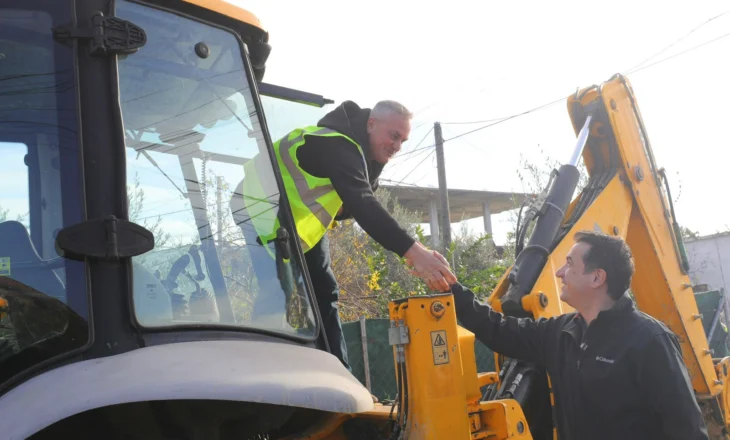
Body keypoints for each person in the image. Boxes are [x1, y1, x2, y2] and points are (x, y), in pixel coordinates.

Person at [238, 99, 456, 370]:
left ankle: (338, 374)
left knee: (324, 292)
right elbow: (363, 204)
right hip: (257, 208)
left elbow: (348, 204)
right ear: (371, 124)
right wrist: (416, 253)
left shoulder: (365, 158)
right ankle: (255, 371)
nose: (397, 146)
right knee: (279, 291)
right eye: (394, 136)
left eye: (403, 141)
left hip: (298, 224)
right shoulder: (337, 145)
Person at [450, 230, 708, 439]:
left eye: (569, 264)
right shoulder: (561, 332)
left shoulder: (650, 341)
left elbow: (688, 430)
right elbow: (499, 330)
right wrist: (453, 290)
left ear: (597, 278)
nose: (560, 272)